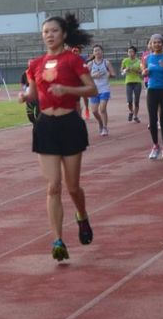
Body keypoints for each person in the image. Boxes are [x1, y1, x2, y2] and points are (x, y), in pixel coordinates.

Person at [20, 13, 97, 262]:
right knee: (53, 186)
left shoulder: (73, 60)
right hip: (46, 126)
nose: (49, 35)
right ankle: (57, 240)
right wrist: (26, 96)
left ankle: (82, 215)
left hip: (70, 124)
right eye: (45, 32)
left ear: (63, 34)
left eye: (54, 31)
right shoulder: (35, 65)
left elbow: (91, 89)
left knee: (72, 187)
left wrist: (67, 89)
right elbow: (33, 93)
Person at [88, 44, 117, 136]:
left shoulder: (106, 63)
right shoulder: (90, 64)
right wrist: (93, 76)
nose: (97, 52)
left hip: (104, 88)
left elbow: (114, 74)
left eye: (99, 50)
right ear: (93, 53)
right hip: (94, 89)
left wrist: (109, 74)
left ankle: (105, 127)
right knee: (94, 111)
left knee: (103, 108)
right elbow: (85, 77)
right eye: (95, 50)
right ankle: (100, 123)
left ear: (102, 52)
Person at [120, 45, 143, 123]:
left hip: (137, 82)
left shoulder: (139, 61)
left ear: (135, 53)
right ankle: (131, 112)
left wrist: (135, 70)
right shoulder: (125, 60)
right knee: (129, 101)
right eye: (129, 52)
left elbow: (141, 72)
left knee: (136, 101)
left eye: (132, 51)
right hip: (128, 82)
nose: (130, 53)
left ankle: (136, 116)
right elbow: (122, 72)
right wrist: (126, 70)